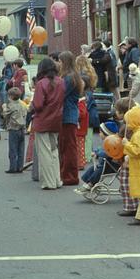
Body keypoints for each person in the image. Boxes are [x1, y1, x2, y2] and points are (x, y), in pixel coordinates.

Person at [29, 57, 65, 190]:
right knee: (54, 151)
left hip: (43, 119)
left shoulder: (41, 83)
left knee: (44, 152)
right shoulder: (61, 82)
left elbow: (38, 104)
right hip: (56, 119)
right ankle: (56, 180)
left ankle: (49, 182)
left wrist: (31, 106)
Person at [74, 120, 121, 196]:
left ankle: (90, 184)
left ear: (106, 134)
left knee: (99, 170)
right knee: (93, 168)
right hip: (108, 164)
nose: (99, 134)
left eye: (101, 132)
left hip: (112, 166)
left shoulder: (113, 144)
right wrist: (97, 151)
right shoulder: (108, 142)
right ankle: (87, 183)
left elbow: (106, 153)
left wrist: (98, 153)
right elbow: (102, 150)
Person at [58, 51, 84, 186]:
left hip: (67, 116)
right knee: (67, 146)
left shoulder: (69, 78)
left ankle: (70, 176)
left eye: (60, 61)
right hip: (70, 115)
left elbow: (60, 94)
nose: (59, 63)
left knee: (68, 148)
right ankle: (67, 174)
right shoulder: (73, 76)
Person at [122, 106, 140, 225]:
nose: (127, 124)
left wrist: (127, 144)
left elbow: (138, 151)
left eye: (128, 121)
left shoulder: (138, 135)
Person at [2, 87, 27, 172]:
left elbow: (5, 115)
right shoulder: (22, 105)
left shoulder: (11, 106)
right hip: (22, 128)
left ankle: (13, 167)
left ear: (11, 96)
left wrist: (4, 107)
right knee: (21, 149)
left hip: (14, 128)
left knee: (13, 149)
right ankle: (20, 167)